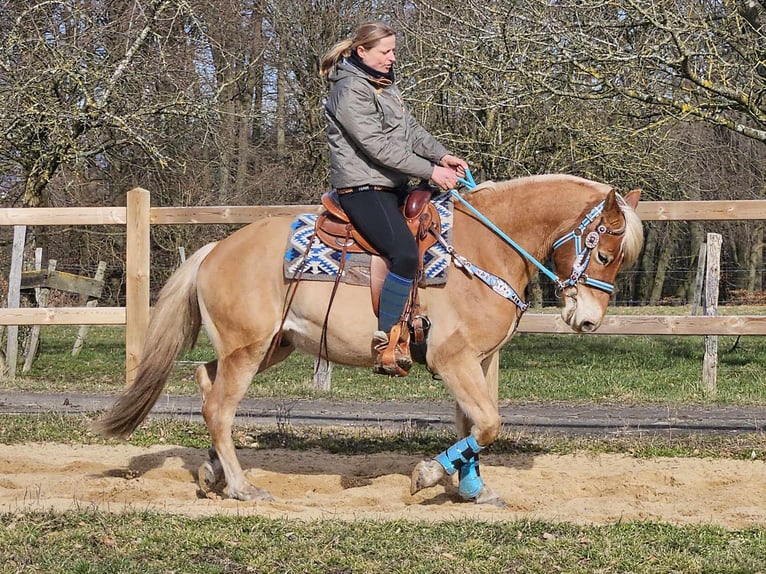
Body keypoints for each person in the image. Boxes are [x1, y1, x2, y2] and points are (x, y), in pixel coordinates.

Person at [319, 20, 468, 375]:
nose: (392, 57)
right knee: (403, 253)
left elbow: (410, 131)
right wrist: (431, 172)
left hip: (391, 185)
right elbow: (377, 145)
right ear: (362, 52)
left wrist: (440, 155)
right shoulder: (350, 91)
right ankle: (387, 339)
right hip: (363, 188)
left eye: (393, 50)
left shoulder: (384, 85)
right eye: (385, 51)